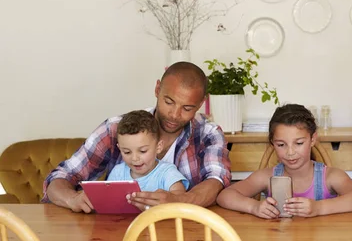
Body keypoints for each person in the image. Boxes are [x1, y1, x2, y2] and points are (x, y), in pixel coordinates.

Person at [43, 62, 231, 213]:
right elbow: (61, 177)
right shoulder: (115, 129)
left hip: (186, 240)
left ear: (201, 103)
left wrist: (178, 200)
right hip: (116, 238)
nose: (174, 114)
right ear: (157, 89)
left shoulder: (209, 134)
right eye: (169, 102)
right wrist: (72, 198)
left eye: (187, 108)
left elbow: (217, 181)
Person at [217, 104, 352, 218]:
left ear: (313, 140)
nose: (290, 152)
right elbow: (225, 196)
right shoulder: (265, 177)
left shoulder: (330, 176)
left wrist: (318, 208)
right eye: (281, 145)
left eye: (299, 143)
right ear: (272, 143)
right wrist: (254, 207)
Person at [107, 110, 189, 193]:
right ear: (120, 148)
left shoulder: (167, 172)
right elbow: (106, 197)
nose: (134, 158)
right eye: (127, 152)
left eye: (143, 151)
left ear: (158, 147)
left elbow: (180, 196)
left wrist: (164, 199)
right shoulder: (118, 173)